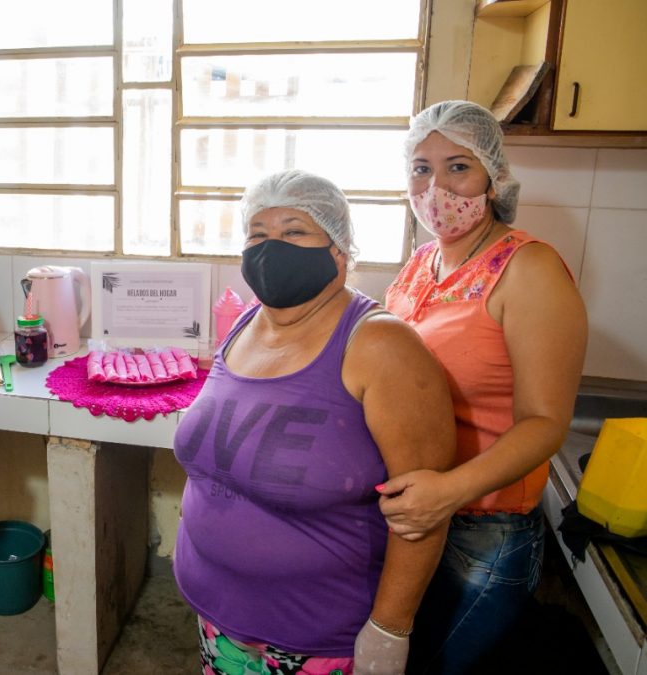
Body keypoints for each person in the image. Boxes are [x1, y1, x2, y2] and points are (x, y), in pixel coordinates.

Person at [172, 169, 457, 675]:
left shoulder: (381, 346)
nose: (270, 247)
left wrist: (390, 629)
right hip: (218, 622)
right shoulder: (246, 322)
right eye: (257, 234)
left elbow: (422, 510)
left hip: (315, 641)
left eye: (294, 231)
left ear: (339, 250)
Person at [380, 100, 588, 674]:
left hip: (483, 531)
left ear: (493, 178)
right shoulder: (423, 262)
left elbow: (545, 423)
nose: (435, 186)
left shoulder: (530, 270)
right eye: (421, 168)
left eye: (458, 167)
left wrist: (447, 493)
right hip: (415, 517)